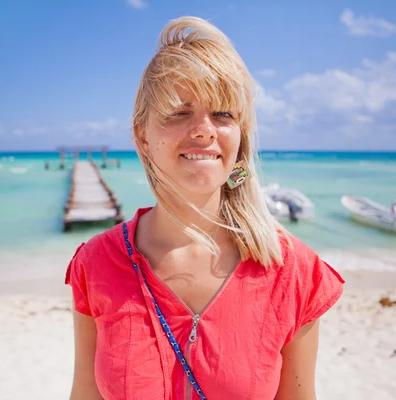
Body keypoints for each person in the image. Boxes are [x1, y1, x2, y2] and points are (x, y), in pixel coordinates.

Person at [65, 16, 344, 400]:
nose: (204, 130)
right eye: (180, 112)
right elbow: (84, 393)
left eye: (224, 114)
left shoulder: (294, 271)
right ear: (142, 136)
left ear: (240, 136)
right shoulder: (96, 264)